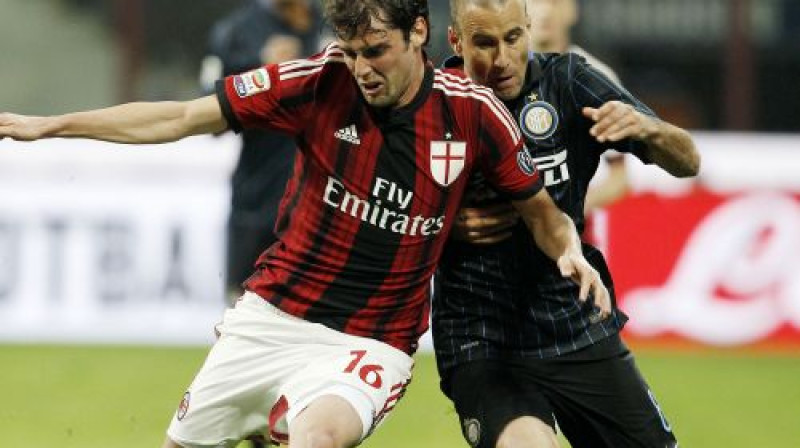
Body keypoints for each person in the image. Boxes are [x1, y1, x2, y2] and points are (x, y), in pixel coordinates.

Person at [0, 1, 610, 447]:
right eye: (351, 52)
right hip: (271, 319)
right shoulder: (317, 81)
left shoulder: (471, 114)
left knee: (318, 440)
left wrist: (569, 248)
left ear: (419, 32)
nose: (363, 69)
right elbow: (183, 116)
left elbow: (540, 211)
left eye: (377, 51)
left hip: (370, 340)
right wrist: (49, 125)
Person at [432, 1, 700, 448]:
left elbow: (688, 161)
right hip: (479, 334)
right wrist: (443, 221)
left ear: (528, 29)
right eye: (484, 43)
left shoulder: (570, 80)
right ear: (455, 41)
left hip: (570, 320)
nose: (502, 59)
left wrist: (648, 128)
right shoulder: (433, 103)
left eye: (513, 39)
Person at [198, 0, 324, 302]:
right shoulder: (234, 32)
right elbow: (209, 120)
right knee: (240, 313)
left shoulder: (336, 24)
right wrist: (260, 69)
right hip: (257, 197)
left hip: (323, 202)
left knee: (315, 319)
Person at [527, 0, 629, 250]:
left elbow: (620, 179)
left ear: (572, 10)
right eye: (536, 2)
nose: (545, 11)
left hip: (577, 243)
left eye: (555, 2)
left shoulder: (598, 77)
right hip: (510, 241)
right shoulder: (499, 73)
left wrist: (568, 208)